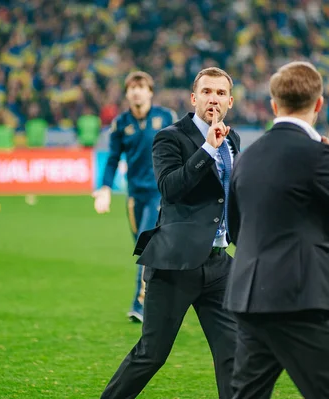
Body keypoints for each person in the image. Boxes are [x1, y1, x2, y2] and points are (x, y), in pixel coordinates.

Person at [224, 61, 329, 399]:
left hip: (248, 297)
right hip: (297, 297)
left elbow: (235, 231)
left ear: (274, 105)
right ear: (319, 104)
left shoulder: (247, 156)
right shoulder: (317, 154)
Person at [100, 67, 240, 399]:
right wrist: (205, 150)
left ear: (230, 101)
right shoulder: (170, 137)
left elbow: (231, 196)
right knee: (152, 354)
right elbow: (170, 188)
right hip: (176, 264)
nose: (213, 99)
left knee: (234, 354)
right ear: (194, 99)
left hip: (219, 264)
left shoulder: (233, 139)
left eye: (221, 93)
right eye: (207, 92)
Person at [92, 71, 177, 323]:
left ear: (150, 92)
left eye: (141, 87)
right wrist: (105, 188)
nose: (137, 91)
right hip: (135, 198)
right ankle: (170, 297)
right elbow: (112, 158)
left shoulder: (166, 117)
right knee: (151, 252)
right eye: (132, 88)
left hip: (159, 195)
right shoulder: (120, 124)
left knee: (146, 247)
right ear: (127, 93)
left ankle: (139, 306)